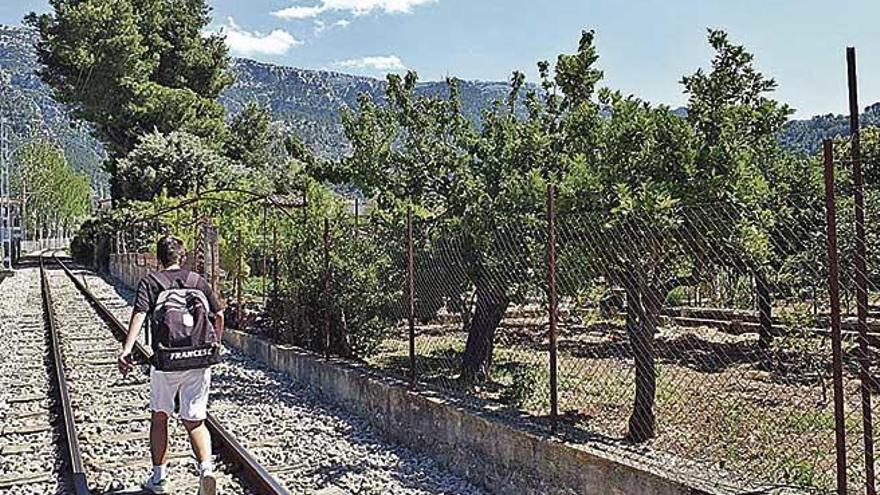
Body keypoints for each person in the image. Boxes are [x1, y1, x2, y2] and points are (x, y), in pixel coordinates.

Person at [117, 235, 224, 495]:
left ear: (159, 257)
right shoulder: (198, 280)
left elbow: (140, 314)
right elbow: (219, 314)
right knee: (195, 420)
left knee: (160, 417)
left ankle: (160, 479)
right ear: (182, 256)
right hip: (199, 358)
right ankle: (206, 470)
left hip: (167, 361)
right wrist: (215, 345)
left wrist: (127, 349)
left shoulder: (151, 282)